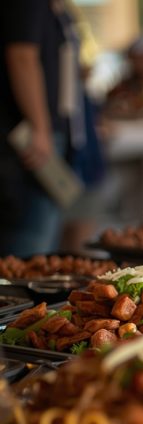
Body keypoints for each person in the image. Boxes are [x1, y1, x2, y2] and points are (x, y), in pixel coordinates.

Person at [0, 0, 80, 256]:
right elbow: (22, 56)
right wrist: (41, 129)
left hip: (36, 133)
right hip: (28, 138)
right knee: (27, 251)